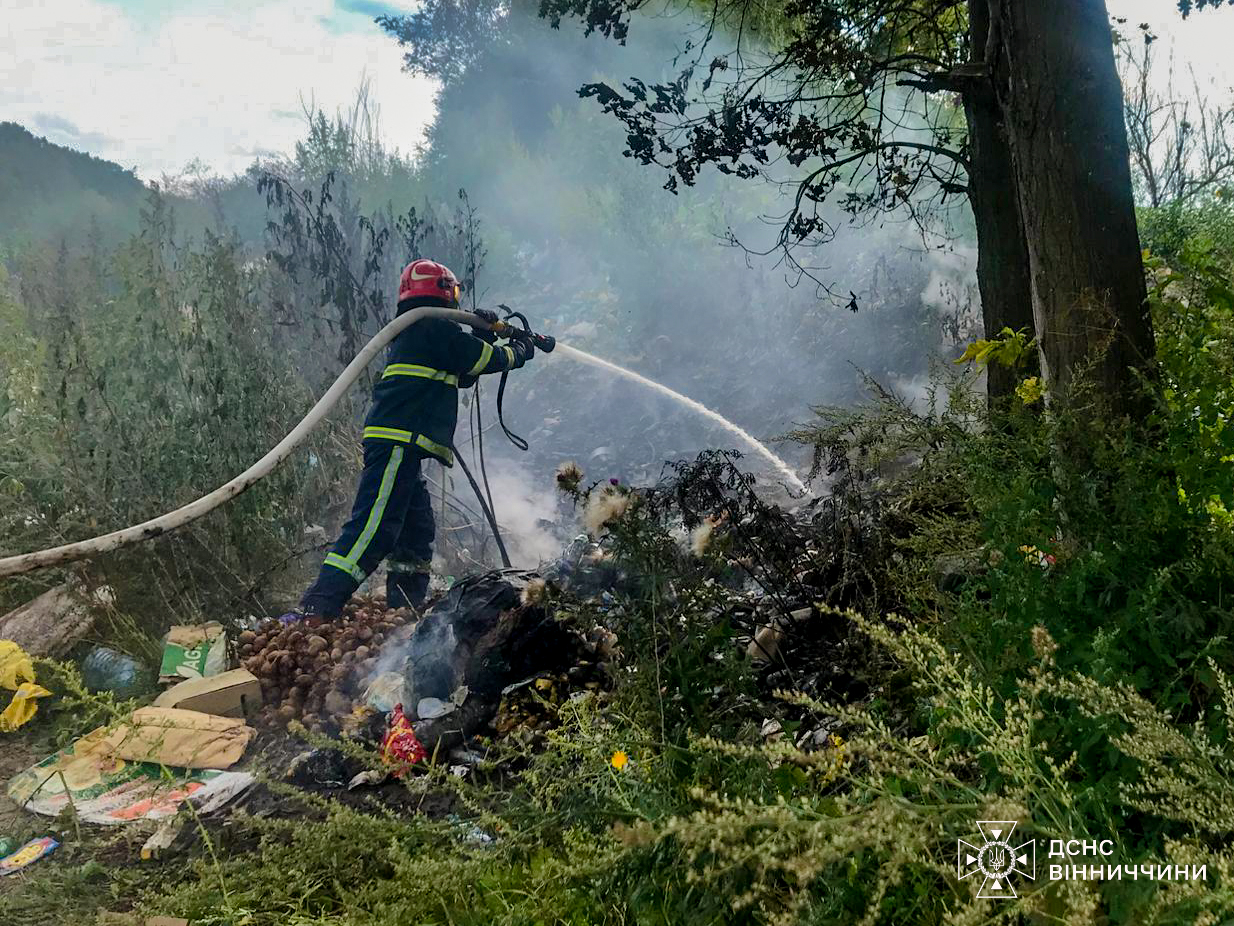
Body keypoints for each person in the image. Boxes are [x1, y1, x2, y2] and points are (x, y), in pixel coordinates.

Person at [284, 259, 535, 622]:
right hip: (399, 441)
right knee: (374, 527)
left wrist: (481, 334)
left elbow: (462, 370)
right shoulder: (431, 327)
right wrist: (520, 351)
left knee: (416, 533)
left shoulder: (423, 331)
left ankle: (404, 609)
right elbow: (482, 359)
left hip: (405, 445)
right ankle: (318, 606)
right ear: (445, 292)